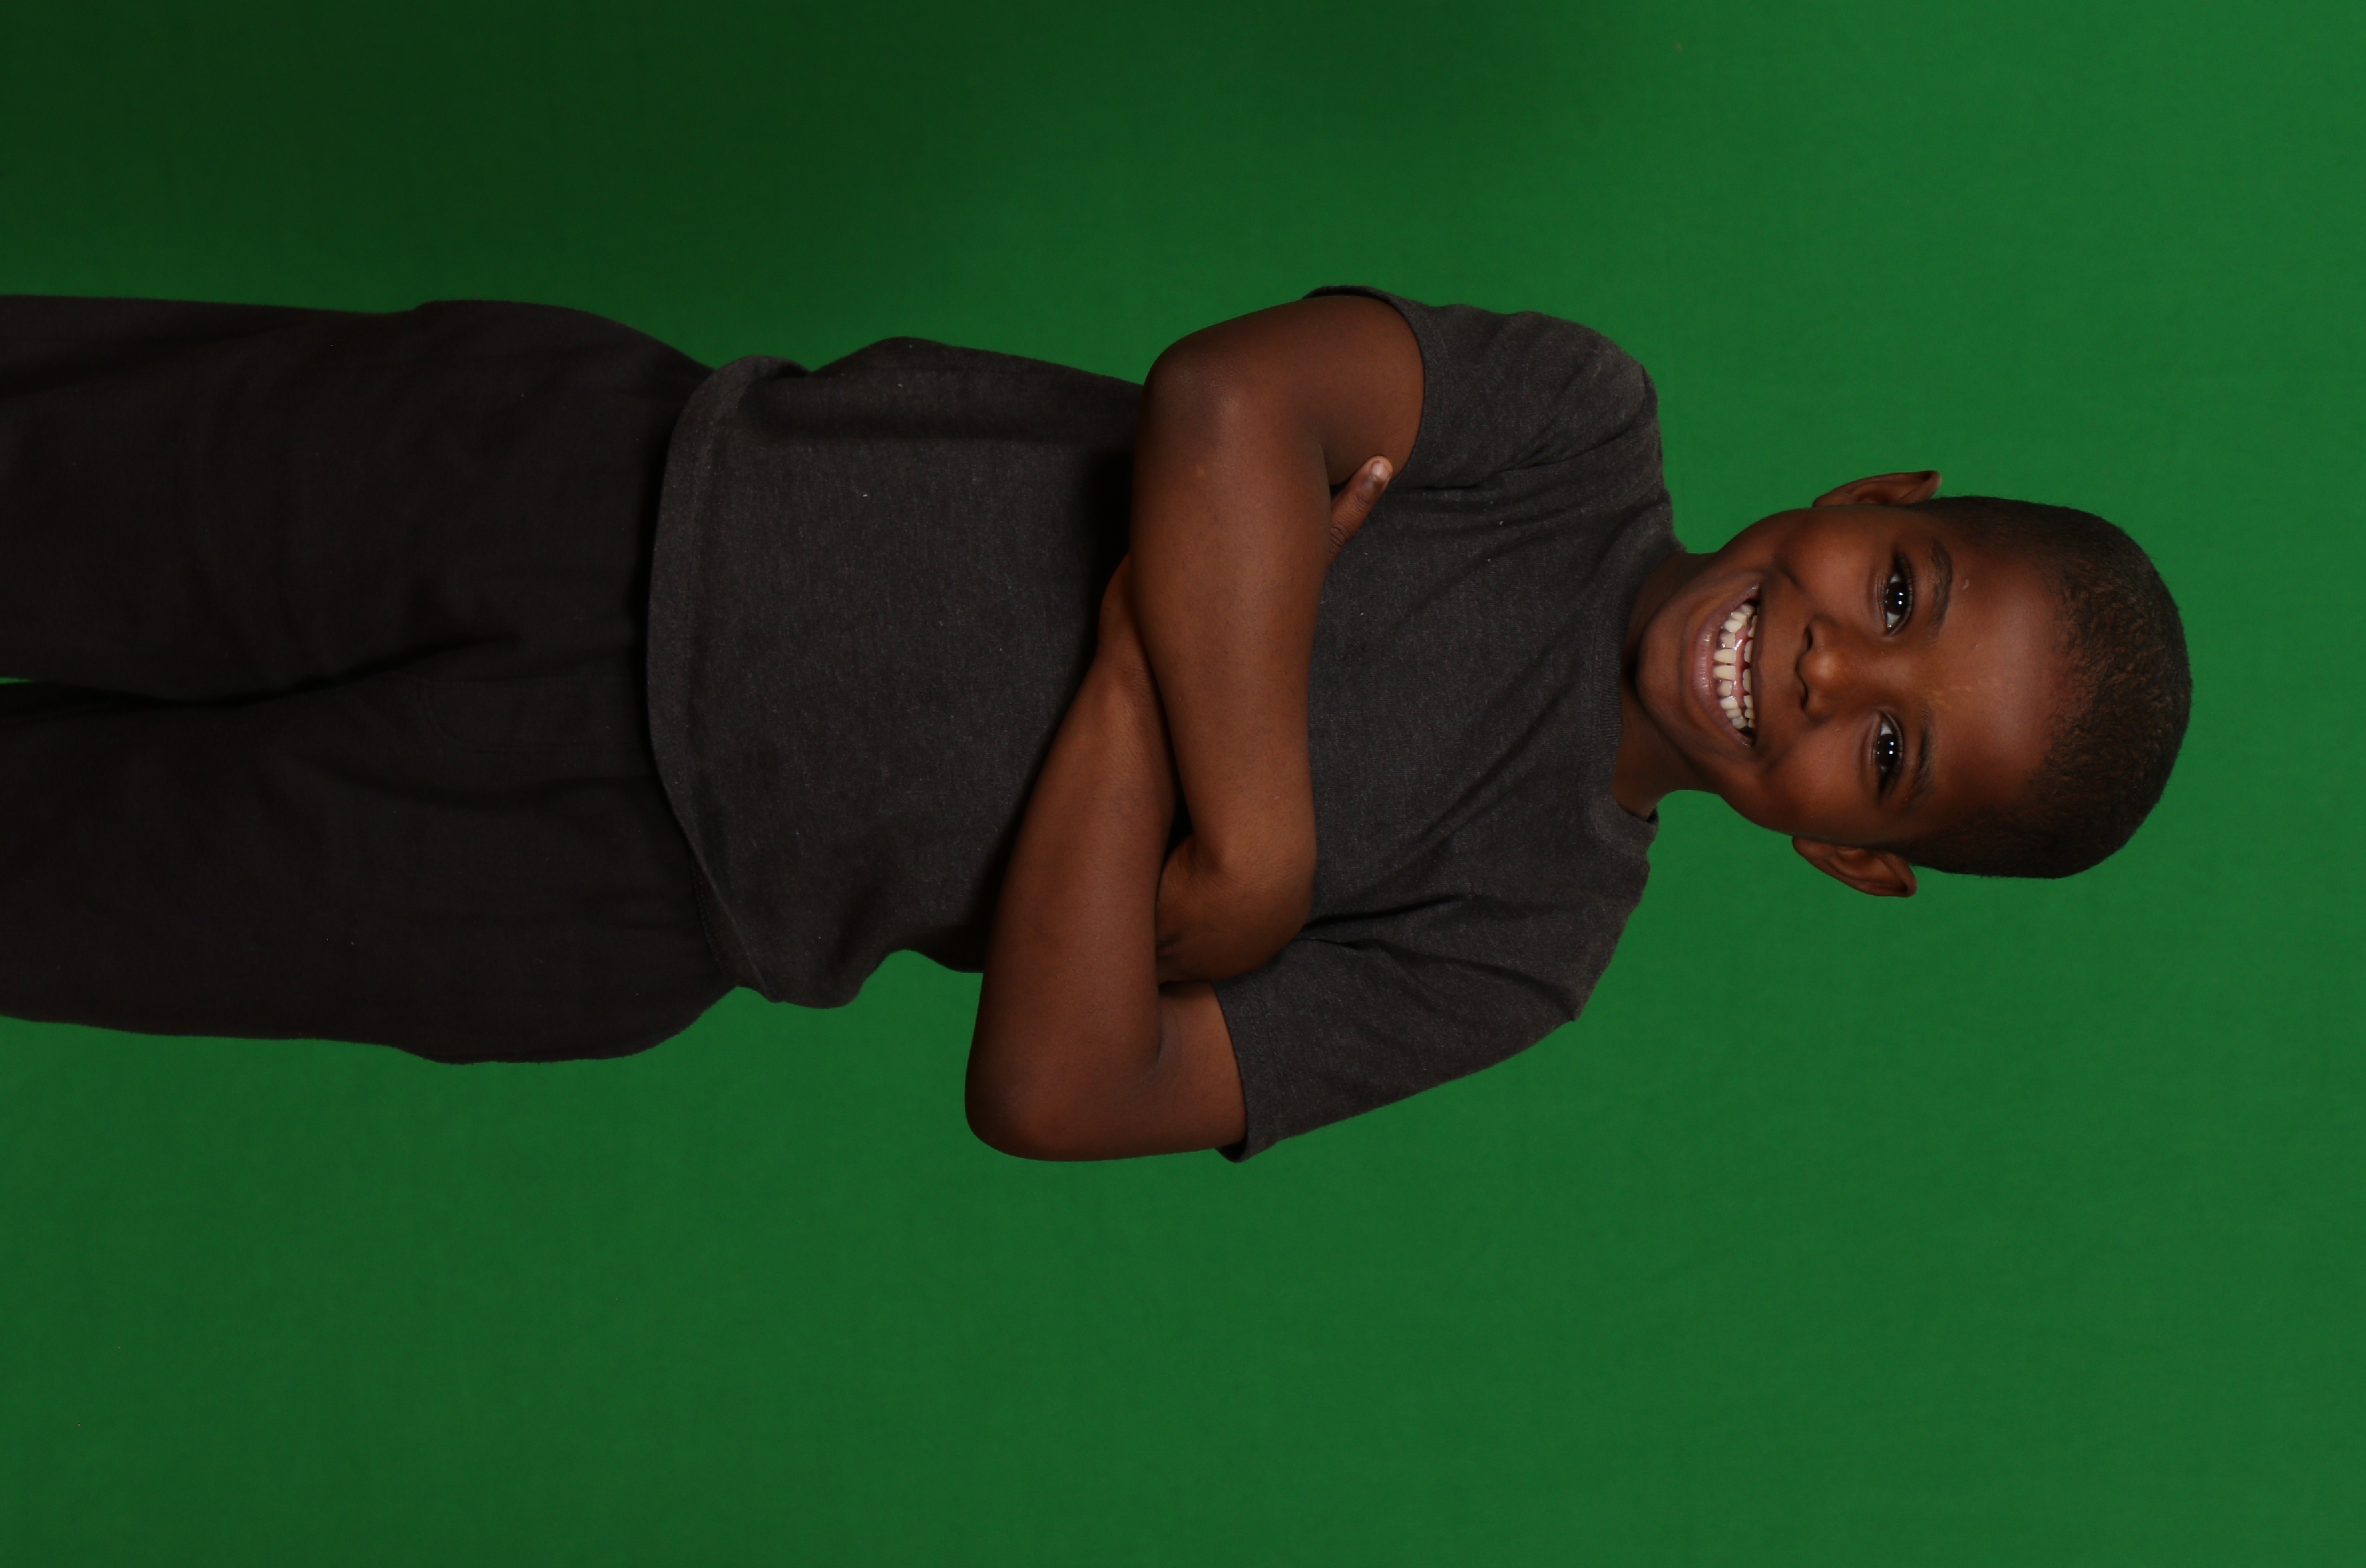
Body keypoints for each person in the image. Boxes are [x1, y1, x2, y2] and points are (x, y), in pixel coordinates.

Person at [0, 288, 2189, 1160]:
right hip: (589, 481)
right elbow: (1232, 402)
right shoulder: (1571, 431)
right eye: (1899, 596)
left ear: (1852, 854)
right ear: (1880, 496)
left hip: (603, 884)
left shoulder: (1522, 944)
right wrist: (1249, 850)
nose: (1826, 668)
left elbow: (1057, 1087)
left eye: (1886, 752)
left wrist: (1154, 661)